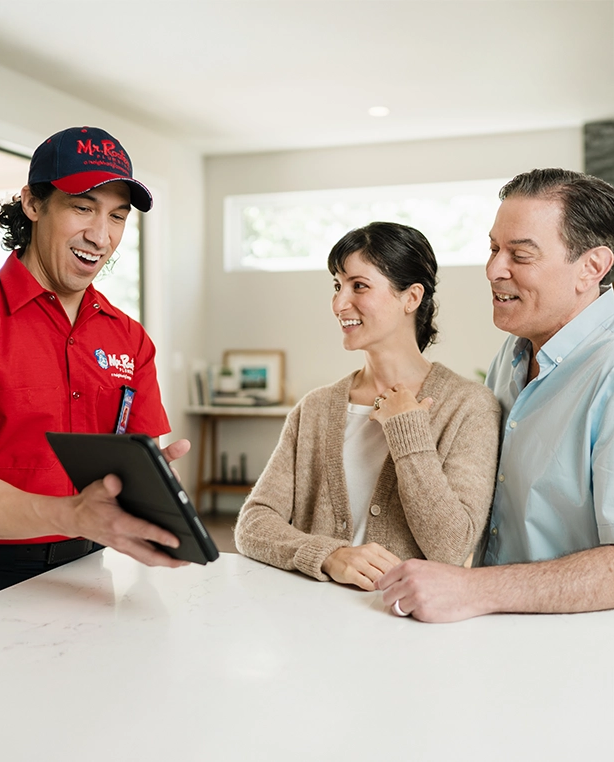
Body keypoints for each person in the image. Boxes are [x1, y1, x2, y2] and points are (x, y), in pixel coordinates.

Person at [377, 168, 614, 621]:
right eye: (493, 248)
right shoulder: (514, 349)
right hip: (499, 637)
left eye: (519, 256)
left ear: (592, 267)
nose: (493, 270)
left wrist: (475, 589)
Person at [235, 221, 501, 591]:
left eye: (359, 285)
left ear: (411, 298)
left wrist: (408, 432)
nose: (339, 303)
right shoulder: (315, 408)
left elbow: (451, 548)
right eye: (337, 286)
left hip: (403, 628)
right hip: (308, 620)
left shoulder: (469, 406)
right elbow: (253, 523)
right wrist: (329, 555)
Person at [0, 125, 189, 592]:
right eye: (83, 208)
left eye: (117, 217)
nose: (101, 236)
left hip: (91, 568)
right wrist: (70, 515)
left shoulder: (130, 339)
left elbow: (133, 471)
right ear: (34, 204)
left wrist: (154, 498)